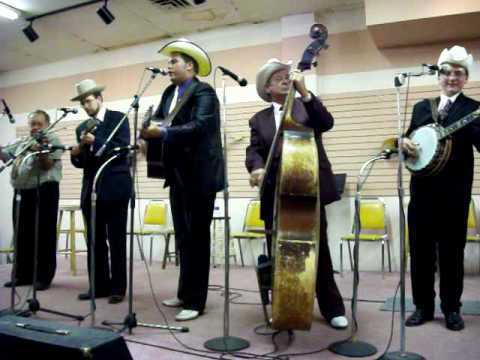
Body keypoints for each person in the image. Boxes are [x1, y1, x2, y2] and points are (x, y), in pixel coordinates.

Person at [245, 59, 348, 329]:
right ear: (267, 88)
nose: (284, 77)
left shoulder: (306, 106)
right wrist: (256, 168)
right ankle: (285, 307)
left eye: (285, 74)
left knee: (319, 251)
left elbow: (326, 123)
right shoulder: (258, 119)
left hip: (307, 191)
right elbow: (254, 150)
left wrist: (305, 92)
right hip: (274, 194)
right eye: (276, 76)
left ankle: (332, 308)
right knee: (279, 253)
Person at [140, 39, 225, 321]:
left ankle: (196, 302)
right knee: (183, 238)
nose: (168, 67)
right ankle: (184, 291)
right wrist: (148, 130)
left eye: (173, 62)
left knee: (197, 238)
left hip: (200, 175)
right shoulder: (168, 92)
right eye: (168, 63)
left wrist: (162, 133)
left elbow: (200, 126)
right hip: (177, 175)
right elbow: (164, 123)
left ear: (190, 65)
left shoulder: (205, 92)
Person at [402, 46, 480, 331]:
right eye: (447, 72)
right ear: (439, 76)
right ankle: (422, 306)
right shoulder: (422, 107)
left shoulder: (473, 109)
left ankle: (451, 309)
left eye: (458, 73)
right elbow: (409, 140)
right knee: (420, 253)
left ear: (465, 78)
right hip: (421, 193)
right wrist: (403, 143)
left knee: (451, 255)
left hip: (454, 196)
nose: (451, 78)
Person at [70, 79, 132, 304]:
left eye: (88, 101)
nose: (86, 107)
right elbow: (83, 163)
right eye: (83, 104)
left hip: (115, 188)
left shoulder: (119, 119)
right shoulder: (81, 127)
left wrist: (96, 140)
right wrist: (77, 152)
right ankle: (99, 286)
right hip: (91, 191)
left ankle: (117, 288)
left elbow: (122, 150)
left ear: (99, 98)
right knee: (94, 241)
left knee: (116, 240)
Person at [1, 110, 62, 291]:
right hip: (22, 190)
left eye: (38, 124)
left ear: (47, 124)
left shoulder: (53, 139)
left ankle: (44, 277)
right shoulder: (23, 141)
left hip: (45, 189)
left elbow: (47, 165)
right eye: (32, 124)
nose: (35, 127)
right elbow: (6, 156)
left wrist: (41, 151)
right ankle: (22, 275)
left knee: (44, 234)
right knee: (22, 233)